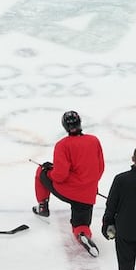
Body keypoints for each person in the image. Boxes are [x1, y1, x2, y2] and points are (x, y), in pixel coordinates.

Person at [32, 110, 106, 257]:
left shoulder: (63, 145)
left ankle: (42, 207)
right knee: (80, 224)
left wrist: (49, 171)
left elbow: (60, 175)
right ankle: (82, 234)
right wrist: (91, 184)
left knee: (40, 171)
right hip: (88, 194)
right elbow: (100, 167)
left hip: (69, 190)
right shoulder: (94, 140)